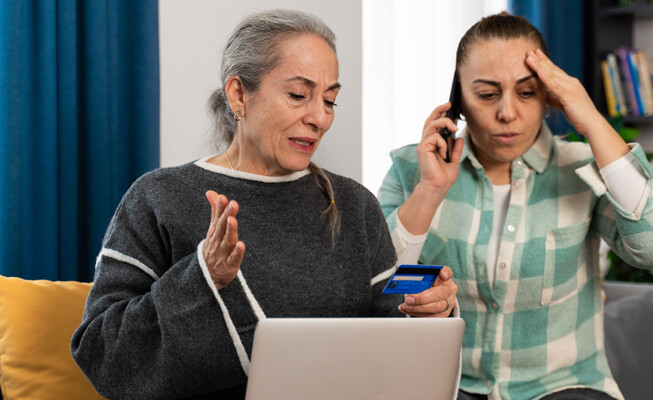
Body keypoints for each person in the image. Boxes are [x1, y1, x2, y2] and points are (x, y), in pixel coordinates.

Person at [71, 9, 457, 399]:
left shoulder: (355, 206)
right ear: (239, 93)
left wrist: (430, 312)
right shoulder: (157, 198)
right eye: (297, 95)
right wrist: (202, 278)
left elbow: (395, 342)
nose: (320, 118)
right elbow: (102, 356)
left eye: (330, 100)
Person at [378, 12, 653, 400]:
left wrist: (591, 121)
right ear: (458, 101)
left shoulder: (582, 168)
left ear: (548, 98)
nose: (507, 112)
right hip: (449, 384)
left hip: (564, 386)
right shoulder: (413, 168)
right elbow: (373, 289)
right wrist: (429, 191)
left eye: (526, 93)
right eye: (487, 94)